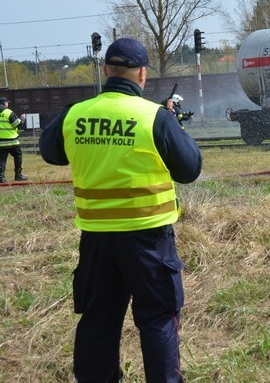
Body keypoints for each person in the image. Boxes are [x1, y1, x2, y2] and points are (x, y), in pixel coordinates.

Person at [39, 38, 202, 383]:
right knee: (157, 317)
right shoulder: (154, 117)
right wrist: (173, 124)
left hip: (96, 239)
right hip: (148, 240)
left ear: (105, 71)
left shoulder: (76, 113)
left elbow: (51, 153)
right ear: (142, 74)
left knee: (98, 318)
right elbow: (189, 170)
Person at [0, 96, 27, 183]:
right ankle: (18, 175)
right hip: (13, 142)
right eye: (7, 102)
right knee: (18, 157)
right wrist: (22, 118)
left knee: (1, 160)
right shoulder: (8, 112)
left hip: (1, 143)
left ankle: (1, 178)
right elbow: (18, 124)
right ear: (5, 103)